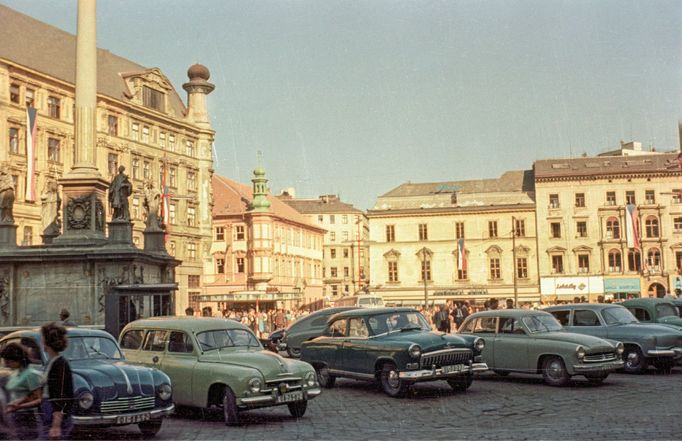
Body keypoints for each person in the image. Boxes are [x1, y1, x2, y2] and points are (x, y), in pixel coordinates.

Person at [1, 343, 42, 440]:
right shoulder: (14, 373)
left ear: (18, 360)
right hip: (14, 414)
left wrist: (19, 406)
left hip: (27, 416)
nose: (6, 364)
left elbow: (38, 399)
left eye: (8, 361)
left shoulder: (31, 375)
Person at [40, 323, 73, 440]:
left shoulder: (60, 364)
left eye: (42, 337)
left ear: (47, 341)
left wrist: (56, 425)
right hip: (47, 412)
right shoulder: (51, 362)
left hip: (55, 415)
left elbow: (61, 396)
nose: (41, 340)